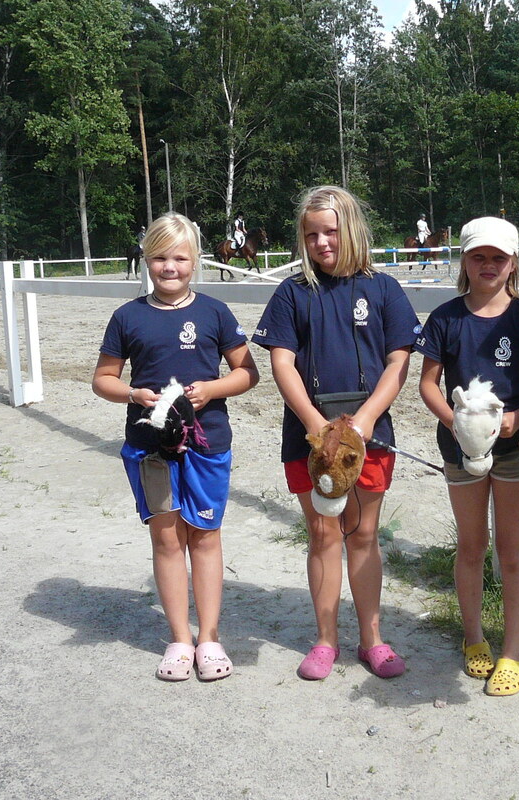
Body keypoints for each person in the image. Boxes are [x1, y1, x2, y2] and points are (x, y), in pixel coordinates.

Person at [253, 186, 418, 681]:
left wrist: (365, 420)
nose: (322, 242)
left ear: (352, 229)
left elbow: (399, 361)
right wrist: (312, 422)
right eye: (312, 235)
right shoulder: (292, 293)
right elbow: (282, 362)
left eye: (331, 231)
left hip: (369, 434)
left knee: (363, 534)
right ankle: (326, 639)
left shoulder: (384, 289)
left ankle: (373, 639)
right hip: (310, 437)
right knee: (323, 533)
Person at [92, 212, 260, 682]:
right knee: (166, 538)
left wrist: (212, 390)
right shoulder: (127, 317)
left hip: (208, 443)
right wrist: (132, 394)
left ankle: (209, 637)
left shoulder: (214, 312)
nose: (170, 267)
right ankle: (180, 639)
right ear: (147, 260)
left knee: (205, 535)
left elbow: (248, 373)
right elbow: (103, 379)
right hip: (150, 447)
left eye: (180, 258)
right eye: (160, 258)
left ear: (195, 261)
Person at [417, 217, 519, 697]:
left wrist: (518, 418)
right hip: (461, 449)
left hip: (515, 449)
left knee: (511, 549)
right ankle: (473, 636)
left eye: (498, 257)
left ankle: (513, 649)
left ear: (512, 263)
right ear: (465, 261)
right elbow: (428, 384)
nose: (488, 265)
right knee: (471, 544)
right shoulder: (446, 318)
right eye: (478, 257)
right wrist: (457, 424)